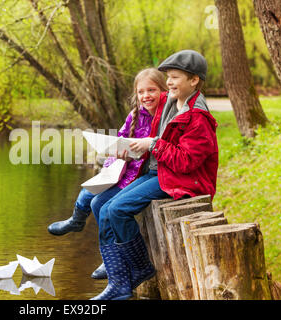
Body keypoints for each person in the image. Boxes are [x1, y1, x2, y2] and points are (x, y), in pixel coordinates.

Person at [91, 50, 219, 300]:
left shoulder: (198, 118)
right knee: (104, 205)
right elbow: (147, 110)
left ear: (194, 80)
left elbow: (187, 161)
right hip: (160, 171)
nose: (169, 82)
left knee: (117, 210)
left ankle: (138, 269)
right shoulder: (172, 102)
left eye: (175, 77)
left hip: (184, 180)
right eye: (168, 77)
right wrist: (128, 148)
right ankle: (119, 280)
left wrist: (153, 145)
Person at [47, 68, 169, 279]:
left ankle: (112, 258)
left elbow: (158, 151)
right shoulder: (135, 115)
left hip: (140, 173)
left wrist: (138, 154)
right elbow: (120, 138)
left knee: (98, 203)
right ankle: (79, 222)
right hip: (124, 168)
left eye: (152, 90)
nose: (146, 96)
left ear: (163, 90)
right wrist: (116, 156)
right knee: (89, 192)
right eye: (141, 91)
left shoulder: (164, 117)